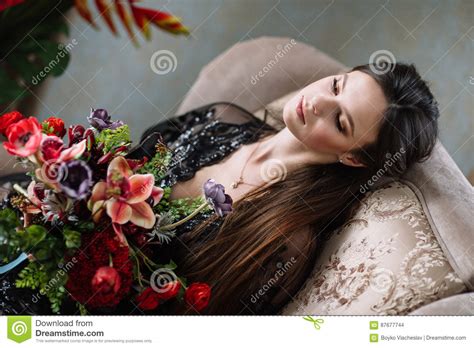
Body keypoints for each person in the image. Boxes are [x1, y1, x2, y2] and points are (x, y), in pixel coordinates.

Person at [0, 62, 439, 315]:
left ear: (353, 158)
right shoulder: (222, 118)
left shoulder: (283, 239)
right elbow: (116, 166)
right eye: (337, 85)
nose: (319, 101)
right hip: (31, 243)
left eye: (340, 121)